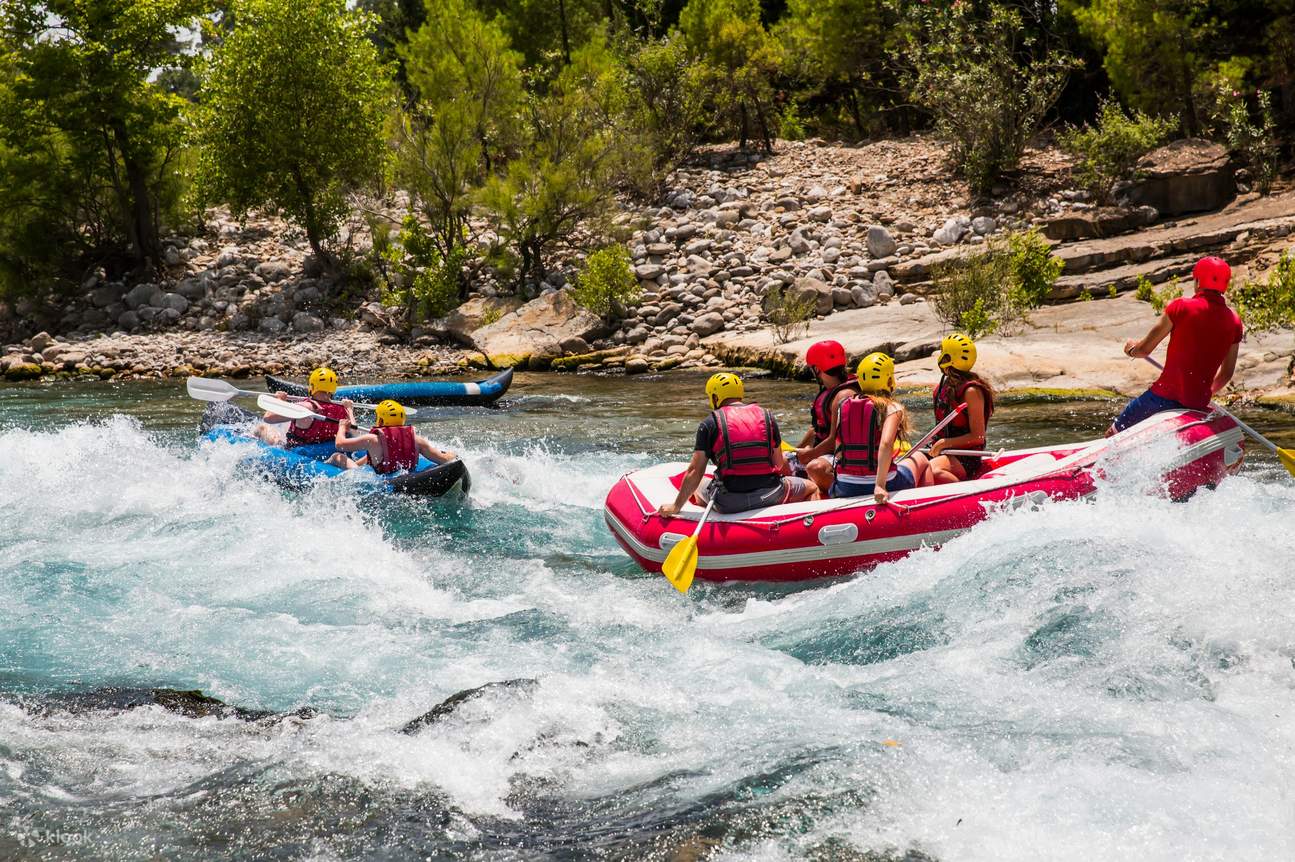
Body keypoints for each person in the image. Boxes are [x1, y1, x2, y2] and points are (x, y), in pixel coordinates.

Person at [1109, 255, 1243, 435]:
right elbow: (1226, 374)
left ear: (1197, 280)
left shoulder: (1181, 307)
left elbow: (1144, 350)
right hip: (1197, 404)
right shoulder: (1234, 321)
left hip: (1162, 397)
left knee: (1113, 435)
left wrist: (1131, 349)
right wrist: (1203, 392)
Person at [656, 372, 819, 517]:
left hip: (729, 503)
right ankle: (809, 526)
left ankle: (716, 521)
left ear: (715, 397)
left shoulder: (709, 423)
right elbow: (778, 463)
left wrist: (676, 506)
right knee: (811, 487)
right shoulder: (767, 416)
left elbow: (694, 471)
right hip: (771, 494)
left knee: (699, 487)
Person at [830, 353, 931, 504]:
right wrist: (879, 485)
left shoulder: (843, 406)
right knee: (921, 459)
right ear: (889, 380)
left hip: (845, 485)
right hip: (884, 483)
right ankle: (924, 508)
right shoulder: (892, 407)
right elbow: (886, 444)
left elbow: (838, 451)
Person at [927, 333, 996, 483]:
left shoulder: (971, 392)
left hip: (965, 456)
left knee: (933, 471)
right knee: (913, 464)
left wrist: (944, 443)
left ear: (948, 359)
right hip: (943, 451)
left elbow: (978, 437)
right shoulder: (941, 388)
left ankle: (965, 495)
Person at [794, 340, 860, 493]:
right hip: (824, 452)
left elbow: (836, 440)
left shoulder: (845, 395)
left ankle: (839, 492)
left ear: (817, 369)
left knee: (815, 468)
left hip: (840, 455)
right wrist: (797, 451)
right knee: (783, 462)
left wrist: (811, 454)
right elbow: (816, 429)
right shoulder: (827, 392)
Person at [330, 400, 457, 474]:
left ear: (380, 420)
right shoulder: (417, 439)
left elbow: (339, 444)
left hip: (381, 482)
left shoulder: (372, 440)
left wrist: (342, 427)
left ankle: (325, 466)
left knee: (337, 456)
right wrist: (453, 455)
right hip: (407, 477)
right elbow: (444, 460)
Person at [256, 366, 351, 447]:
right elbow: (351, 432)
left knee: (262, 428)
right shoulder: (342, 409)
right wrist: (350, 410)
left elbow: (268, 418)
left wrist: (279, 401)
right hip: (324, 450)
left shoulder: (305, 407)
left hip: (297, 451)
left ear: (312, 386)